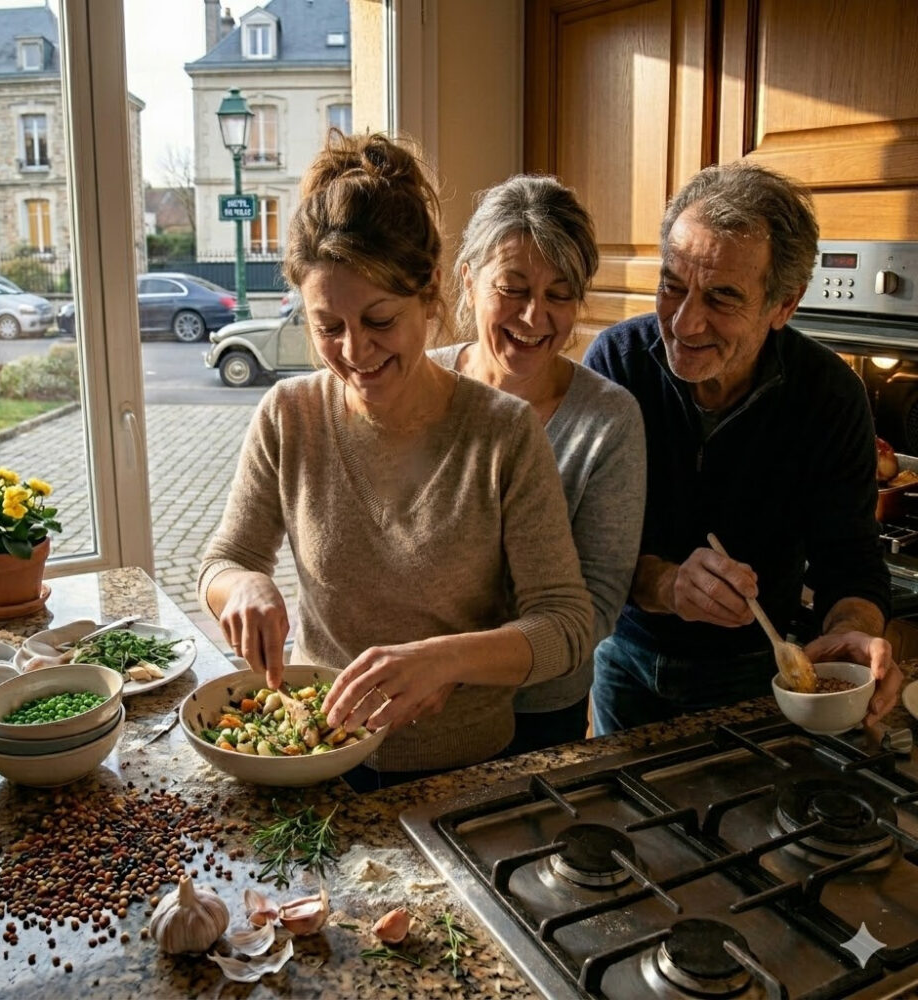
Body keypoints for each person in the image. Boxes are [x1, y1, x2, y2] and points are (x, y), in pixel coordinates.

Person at [198, 133, 593, 786]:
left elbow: (568, 627)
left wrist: (447, 661)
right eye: (328, 327)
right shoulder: (288, 415)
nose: (354, 351)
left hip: (466, 773)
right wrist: (241, 586)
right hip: (318, 758)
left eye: (380, 321)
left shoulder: (503, 434)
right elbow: (225, 559)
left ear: (431, 294)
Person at [584, 160, 902, 734]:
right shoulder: (616, 367)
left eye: (721, 298)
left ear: (784, 305)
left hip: (758, 672)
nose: (683, 323)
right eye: (671, 286)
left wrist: (856, 626)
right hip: (626, 662)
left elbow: (851, 561)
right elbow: (587, 551)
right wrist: (668, 584)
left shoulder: (829, 395)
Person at [431, 174, 645, 754]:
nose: (534, 316)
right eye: (513, 287)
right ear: (469, 279)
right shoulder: (418, 385)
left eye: (559, 294)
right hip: (417, 707)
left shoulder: (609, 420)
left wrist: (453, 661)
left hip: (539, 710)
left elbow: (598, 605)